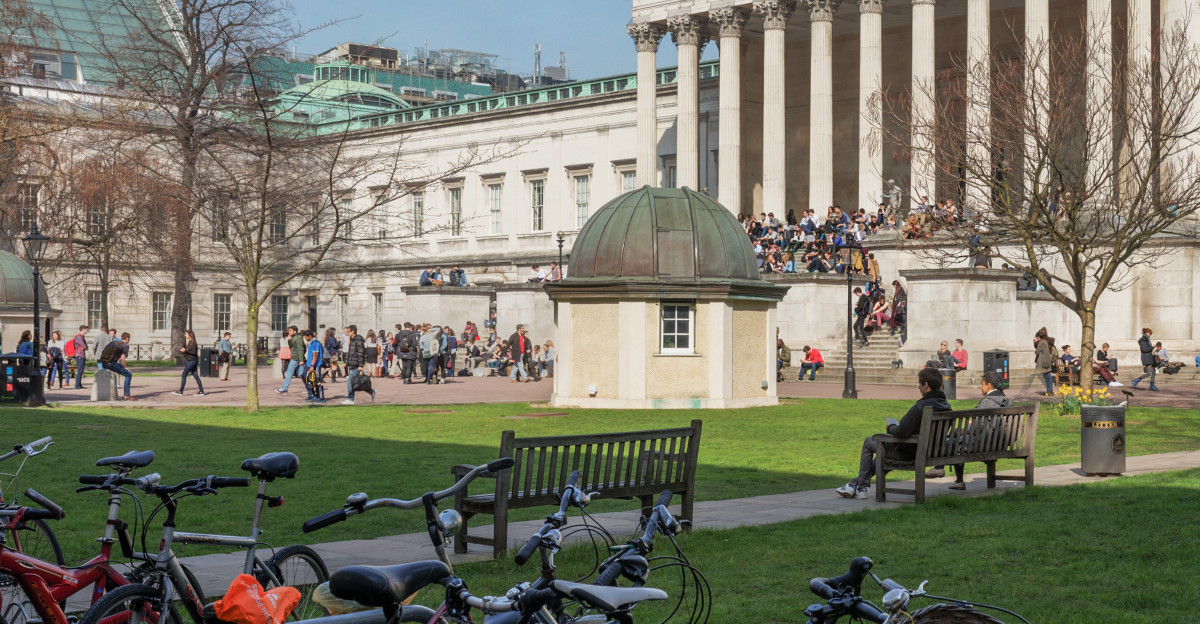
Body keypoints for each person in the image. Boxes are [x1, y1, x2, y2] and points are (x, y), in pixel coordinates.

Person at [836, 368, 952, 499]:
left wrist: (890, 427)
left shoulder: (921, 406)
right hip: (930, 453)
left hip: (910, 454)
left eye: (919, 383)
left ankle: (860, 487)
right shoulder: (947, 406)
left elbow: (901, 432)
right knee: (882, 452)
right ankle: (855, 485)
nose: (918, 386)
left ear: (926, 385)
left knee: (870, 442)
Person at [342, 325, 374, 404]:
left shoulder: (358, 341)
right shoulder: (351, 340)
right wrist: (346, 362)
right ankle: (371, 391)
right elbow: (349, 352)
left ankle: (350, 399)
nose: (347, 333)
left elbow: (361, 354)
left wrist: (360, 365)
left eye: (348, 331)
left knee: (350, 382)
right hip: (352, 364)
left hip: (356, 364)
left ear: (353, 331)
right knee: (355, 382)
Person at [103, 332, 136, 401]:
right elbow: (122, 358)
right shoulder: (125, 346)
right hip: (112, 364)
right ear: (127, 339)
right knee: (128, 374)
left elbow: (106, 348)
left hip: (104, 363)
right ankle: (126, 395)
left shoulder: (113, 342)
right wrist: (125, 367)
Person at [173, 330, 206, 396]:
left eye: (186, 334)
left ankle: (180, 391)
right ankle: (201, 391)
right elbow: (189, 351)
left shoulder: (193, 343)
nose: (185, 335)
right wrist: (184, 350)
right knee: (196, 376)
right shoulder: (190, 342)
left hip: (192, 361)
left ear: (190, 335)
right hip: (192, 360)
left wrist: (185, 350)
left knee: (184, 374)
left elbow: (193, 352)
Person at [276, 327, 306, 393]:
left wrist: (301, 360)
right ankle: (310, 387)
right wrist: (289, 341)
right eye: (288, 330)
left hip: (296, 358)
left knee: (289, 373)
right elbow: (292, 347)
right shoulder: (294, 337)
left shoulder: (298, 338)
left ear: (295, 331)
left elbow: (300, 349)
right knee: (302, 373)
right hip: (295, 357)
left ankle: (284, 388)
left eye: (290, 330)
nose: (289, 332)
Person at [303, 330, 326, 402]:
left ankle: (321, 397)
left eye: (306, 337)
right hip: (309, 364)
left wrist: (312, 365)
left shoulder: (315, 343)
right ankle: (312, 394)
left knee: (317, 380)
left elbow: (315, 355)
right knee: (305, 377)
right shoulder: (311, 343)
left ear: (310, 336)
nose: (305, 338)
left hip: (316, 365)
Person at [1034, 329, 1055, 396]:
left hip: (1044, 362)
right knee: (1047, 376)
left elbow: (1036, 352)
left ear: (1038, 337)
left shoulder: (1042, 342)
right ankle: (1049, 390)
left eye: (1037, 337)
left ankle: (1050, 391)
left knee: (1047, 376)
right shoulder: (1044, 342)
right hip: (1046, 361)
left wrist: (1035, 342)